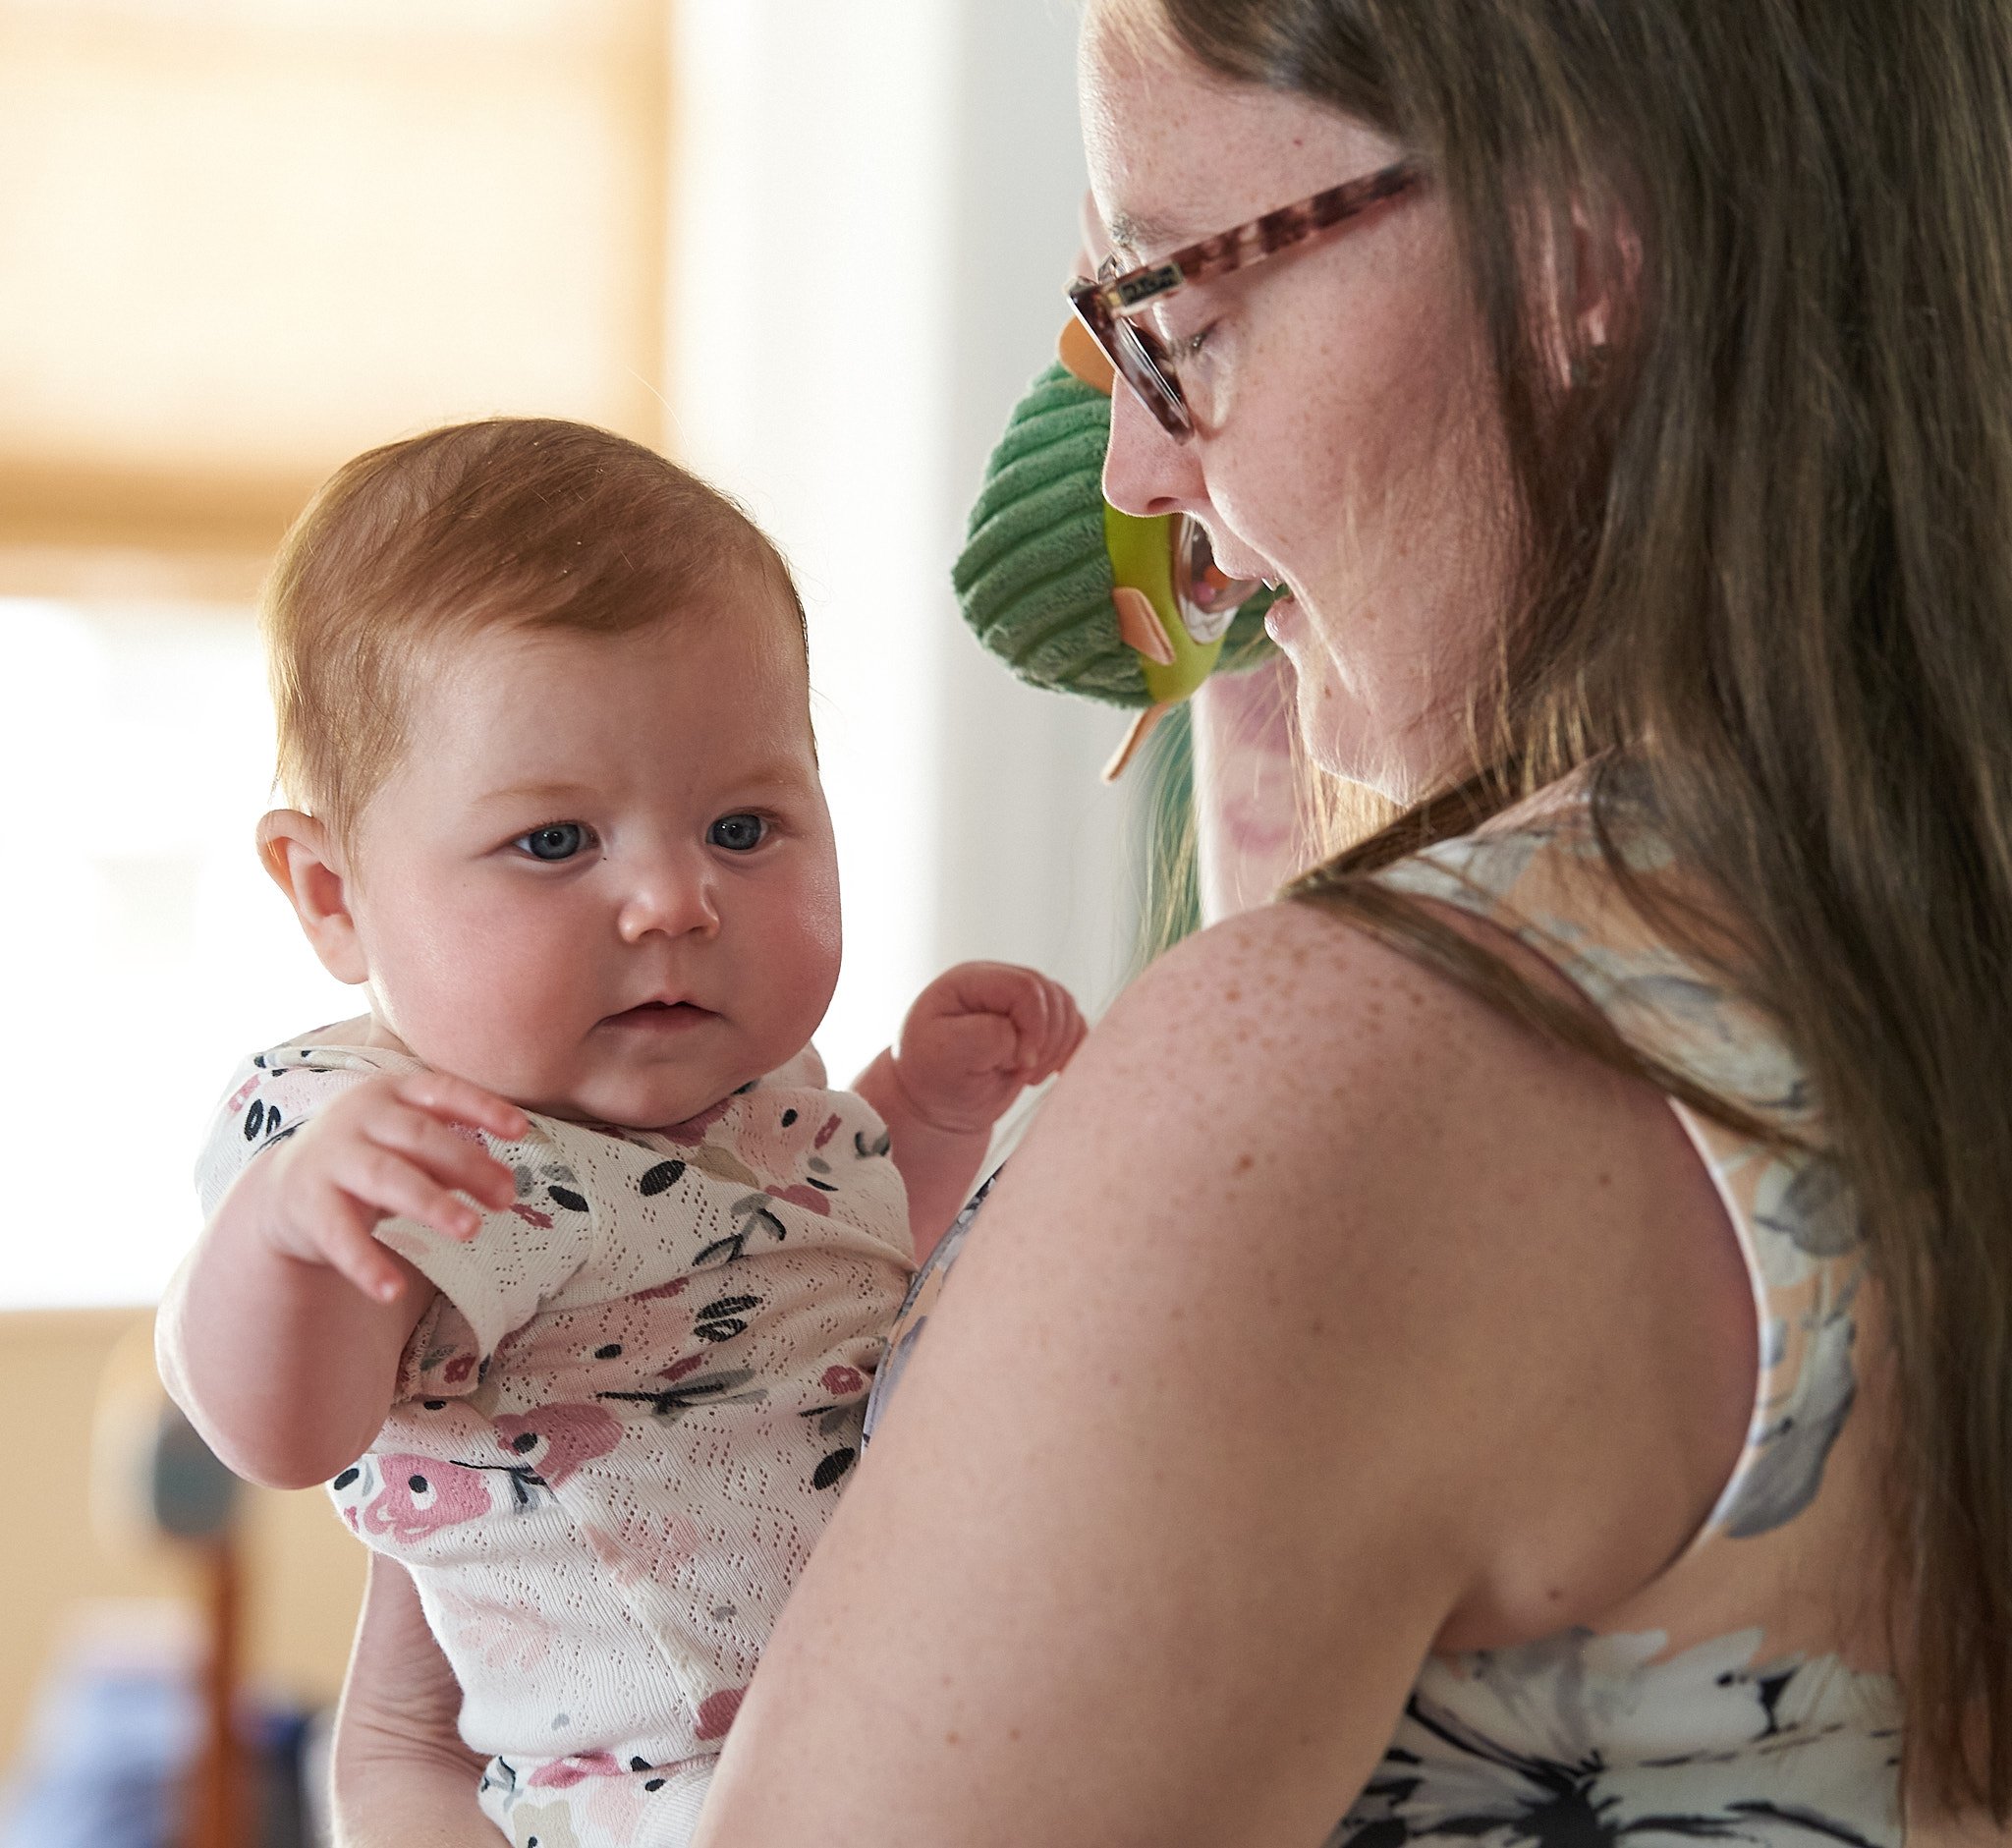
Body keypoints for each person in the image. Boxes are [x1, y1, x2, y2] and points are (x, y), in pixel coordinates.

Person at [328, 0, 2012, 1841]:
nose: (1136, 476)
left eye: (1174, 318)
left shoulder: (1353, 1069)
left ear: (1566, 242)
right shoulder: (1902, 962)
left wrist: (395, 1774)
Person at [153, 418, 1086, 1848]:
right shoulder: (386, 1135)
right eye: (554, 843)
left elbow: (843, 1256)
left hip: (945, 1686)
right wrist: (283, 1233)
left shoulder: (761, 1086)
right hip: (674, 1787)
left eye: (742, 826)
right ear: (333, 893)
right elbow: (288, 1428)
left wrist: (927, 1106)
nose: (673, 900)